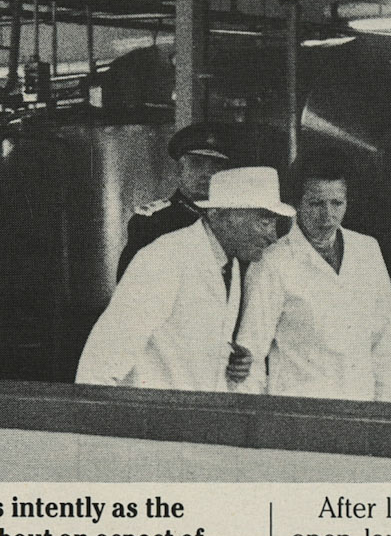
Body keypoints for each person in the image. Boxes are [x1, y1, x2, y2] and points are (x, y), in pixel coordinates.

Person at [76, 164, 294, 392]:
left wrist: (234, 362)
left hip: (194, 415)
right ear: (220, 215)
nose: (273, 236)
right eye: (264, 222)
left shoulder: (230, 264)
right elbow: (105, 352)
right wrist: (91, 417)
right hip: (154, 417)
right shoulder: (166, 257)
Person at [238, 148, 391, 402]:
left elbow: (385, 342)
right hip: (301, 412)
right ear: (296, 203)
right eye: (316, 204)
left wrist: (390, 407)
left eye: (337, 203)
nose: (328, 216)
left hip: (363, 404)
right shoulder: (273, 262)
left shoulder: (367, 250)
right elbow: (252, 352)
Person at [116, 122, 233, 281]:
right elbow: (131, 291)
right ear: (179, 169)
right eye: (196, 163)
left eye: (215, 165)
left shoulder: (231, 220)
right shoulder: (153, 223)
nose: (207, 173)